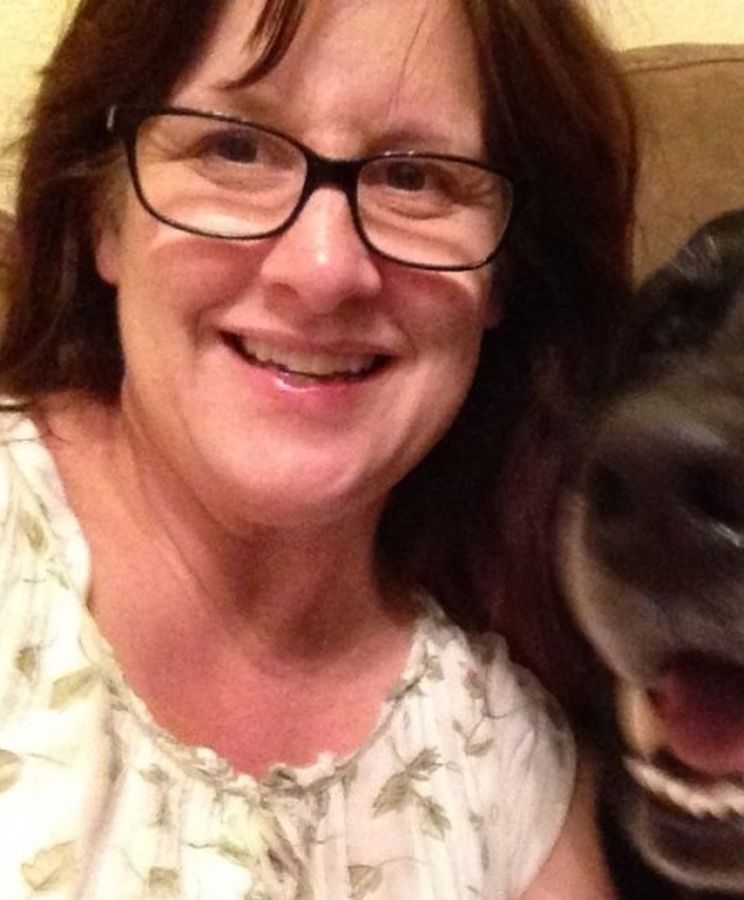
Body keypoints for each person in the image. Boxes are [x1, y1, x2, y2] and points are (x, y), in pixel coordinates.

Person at [0, 0, 636, 896]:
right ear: (101, 215)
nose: (323, 270)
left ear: (505, 274)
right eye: (233, 149)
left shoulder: (501, 755)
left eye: (415, 177)